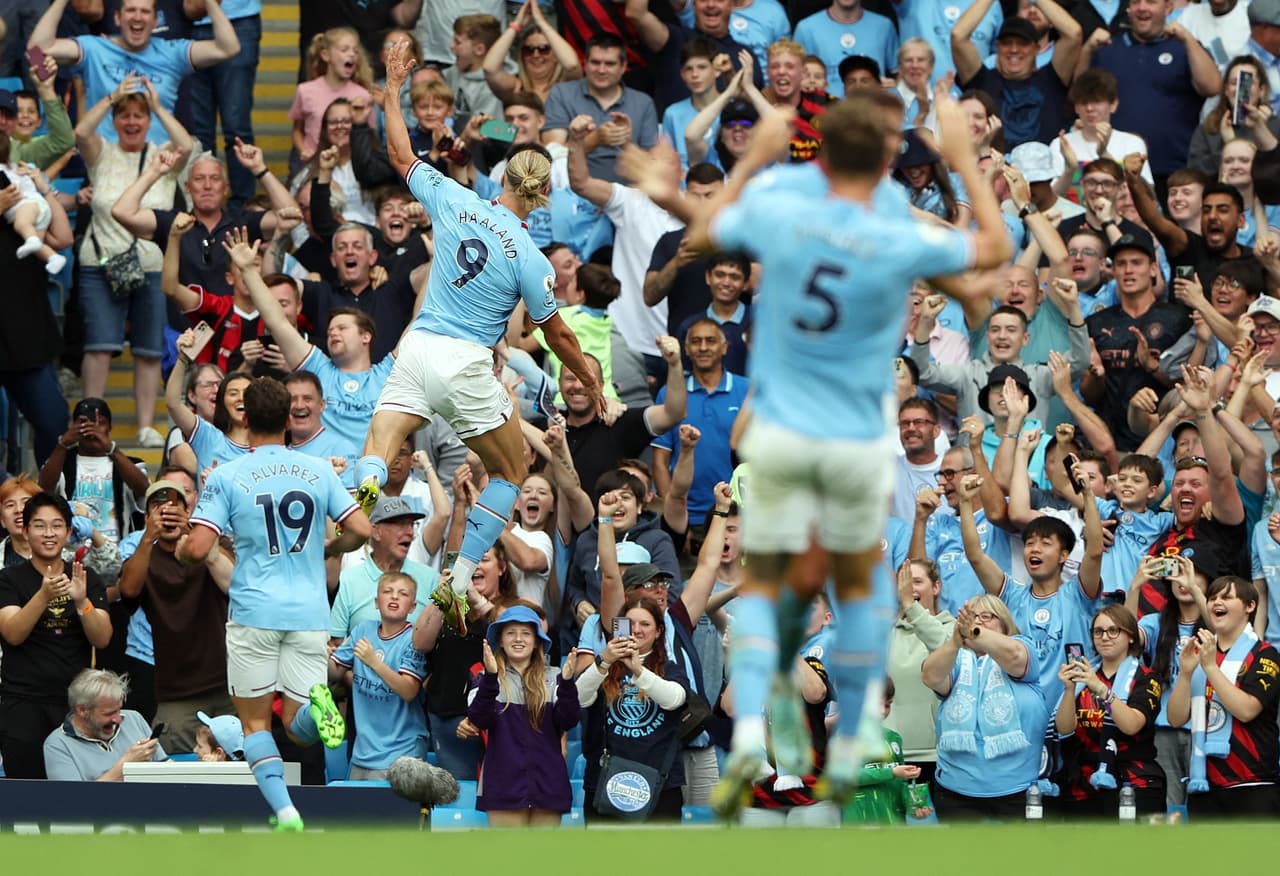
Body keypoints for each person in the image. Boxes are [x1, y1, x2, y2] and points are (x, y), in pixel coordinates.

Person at [627, 93, 1010, 813]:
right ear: (891, 159)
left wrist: (754, 154)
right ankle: (859, 725)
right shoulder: (895, 228)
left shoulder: (786, 209)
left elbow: (706, 227)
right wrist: (960, 155)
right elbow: (993, 251)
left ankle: (747, 741)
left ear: (818, 152)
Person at [353, 40, 604, 621]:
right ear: (541, 195)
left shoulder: (452, 197)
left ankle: (367, 484)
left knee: (381, 442)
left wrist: (392, 86)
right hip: (466, 360)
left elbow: (397, 152)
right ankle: (460, 575)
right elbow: (557, 335)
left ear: (503, 178)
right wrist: (588, 378)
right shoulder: (531, 257)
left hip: (417, 347)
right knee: (514, 471)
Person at [177, 376, 372, 831]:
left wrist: (186, 551)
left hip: (253, 612)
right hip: (308, 613)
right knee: (298, 722)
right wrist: (328, 549)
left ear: (243, 416)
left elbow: (200, 543)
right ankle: (319, 704)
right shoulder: (319, 469)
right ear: (288, 418)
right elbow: (361, 529)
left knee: (256, 725)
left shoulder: (227, 473)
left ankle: (285, 811)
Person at [73, 73, 192, 450]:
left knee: (147, 349)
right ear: (115, 121)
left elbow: (186, 144)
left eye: (139, 116)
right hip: (100, 261)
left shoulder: (162, 156)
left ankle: (144, 426)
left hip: (151, 262)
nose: (131, 122)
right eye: (125, 116)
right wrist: (112, 97)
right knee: (98, 345)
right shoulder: (101, 152)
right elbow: (80, 132)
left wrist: (157, 106)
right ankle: (88, 421)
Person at [0, 492, 112, 779]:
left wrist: (81, 602)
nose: (48, 534)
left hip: (76, 706)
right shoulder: (9, 579)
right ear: (25, 531)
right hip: (23, 704)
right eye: (39, 525)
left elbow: (102, 638)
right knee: (26, 797)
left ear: (69, 531)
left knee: (73, 799)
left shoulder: (86, 577)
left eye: (57, 525)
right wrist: (43, 595)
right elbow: (12, 633)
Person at [28, 0, 239, 144]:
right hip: (107, 160)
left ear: (156, 21)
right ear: (117, 18)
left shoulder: (172, 52)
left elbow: (228, 48)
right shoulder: (95, 48)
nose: (137, 17)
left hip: (161, 160)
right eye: (130, 10)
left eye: (145, 11)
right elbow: (36, 50)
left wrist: (210, 2)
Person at [921, 595, 1049, 820]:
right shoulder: (957, 659)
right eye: (971, 618)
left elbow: (1014, 656)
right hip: (956, 794)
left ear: (1004, 624)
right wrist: (954, 642)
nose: (977, 623)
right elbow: (931, 676)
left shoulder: (1022, 644)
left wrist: (976, 632)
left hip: (1017, 792)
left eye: (986, 617)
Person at [1167, 576, 1280, 817]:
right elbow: (1175, 719)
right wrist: (1186, 673)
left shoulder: (1265, 654)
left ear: (1250, 606)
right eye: (1212, 598)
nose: (1216, 602)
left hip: (1252, 783)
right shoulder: (1201, 652)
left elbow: (1247, 710)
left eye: (1227, 597)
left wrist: (1210, 668)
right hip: (1205, 784)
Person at [576, 595, 690, 822]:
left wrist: (639, 671)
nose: (637, 630)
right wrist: (604, 661)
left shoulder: (670, 668)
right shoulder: (602, 666)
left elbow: (674, 699)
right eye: (630, 624)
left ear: (658, 631)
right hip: (605, 781)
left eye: (645, 624)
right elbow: (578, 698)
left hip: (660, 784)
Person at [467, 604, 580, 825]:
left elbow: (568, 720)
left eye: (526, 633)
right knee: (508, 858)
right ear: (500, 640)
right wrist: (491, 678)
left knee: (545, 859)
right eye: (511, 633)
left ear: (537, 640)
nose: (518, 639)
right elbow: (479, 719)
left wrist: (567, 684)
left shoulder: (556, 676)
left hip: (549, 785)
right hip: (503, 785)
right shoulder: (484, 678)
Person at [1054, 604, 1166, 818]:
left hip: (1133, 780)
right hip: (1085, 784)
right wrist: (1069, 690)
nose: (1105, 637)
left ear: (1131, 636)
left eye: (1113, 630)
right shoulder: (1084, 677)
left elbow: (1131, 724)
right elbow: (1065, 728)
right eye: (1098, 631)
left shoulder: (1146, 677)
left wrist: (1101, 690)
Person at [329, 571, 429, 780]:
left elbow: (409, 690)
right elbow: (334, 672)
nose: (394, 597)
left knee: (392, 813)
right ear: (376, 602)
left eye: (403, 594)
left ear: (412, 607)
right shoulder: (362, 631)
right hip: (362, 753)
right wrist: (321, 655)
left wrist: (374, 662)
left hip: (403, 754)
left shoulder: (414, 639)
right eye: (387, 591)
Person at [952, 1, 1082, 149]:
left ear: (1036, 48)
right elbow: (958, 36)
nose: (1014, 49)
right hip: (993, 169)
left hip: (1046, 170)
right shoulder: (982, 80)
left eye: (1023, 43)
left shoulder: (1052, 79)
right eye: (1007, 43)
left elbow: (1074, 33)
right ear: (997, 46)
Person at [886, 559, 956, 781]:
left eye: (916, 581)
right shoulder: (883, 633)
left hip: (938, 755)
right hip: (890, 754)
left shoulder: (953, 628)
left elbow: (946, 650)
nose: (909, 589)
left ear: (936, 587)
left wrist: (911, 606)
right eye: (904, 584)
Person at [43, 668, 167, 781]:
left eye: (119, 709)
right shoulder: (58, 744)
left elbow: (167, 769)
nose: (118, 719)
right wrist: (125, 767)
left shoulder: (133, 718)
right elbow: (75, 800)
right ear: (82, 710)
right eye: (109, 713)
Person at [291, 27, 373, 166]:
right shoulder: (305, 91)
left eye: (355, 50)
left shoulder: (363, 95)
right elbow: (297, 130)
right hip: (313, 164)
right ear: (325, 55)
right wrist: (303, 150)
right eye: (344, 49)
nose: (352, 54)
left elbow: (369, 136)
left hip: (350, 168)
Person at [481, 0, 582, 106]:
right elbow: (490, 68)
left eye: (544, 49)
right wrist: (516, 25)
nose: (536, 55)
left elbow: (572, 65)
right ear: (522, 55)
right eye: (528, 50)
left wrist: (541, 22)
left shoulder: (565, 85)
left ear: (557, 55)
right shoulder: (515, 87)